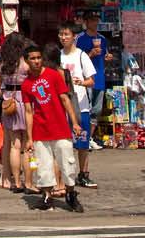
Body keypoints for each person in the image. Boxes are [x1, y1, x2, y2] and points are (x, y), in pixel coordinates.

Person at [22, 45, 84, 213]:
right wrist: (29, 137)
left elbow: (65, 99)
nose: (36, 61)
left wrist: (75, 122)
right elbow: (28, 111)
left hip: (60, 128)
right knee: (43, 166)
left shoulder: (53, 75)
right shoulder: (26, 84)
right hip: (40, 131)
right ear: (26, 61)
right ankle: (47, 196)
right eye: (32, 58)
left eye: (38, 57)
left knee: (67, 163)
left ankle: (71, 194)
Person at [53, 25, 99, 188]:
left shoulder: (81, 56)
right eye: (61, 34)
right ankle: (63, 177)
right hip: (62, 107)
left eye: (66, 34)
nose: (63, 37)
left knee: (82, 144)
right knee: (64, 144)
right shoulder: (57, 56)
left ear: (74, 37)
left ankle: (83, 174)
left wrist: (81, 82)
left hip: (81, 106)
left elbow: (92, 80)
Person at [0, 34, 37, 193]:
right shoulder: (25, 65)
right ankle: (28, 182)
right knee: (27, 144)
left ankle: (16, 182)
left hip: (9, 105)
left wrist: (6, 96)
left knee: (14, 144)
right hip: (25, 103)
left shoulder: (2, 65)